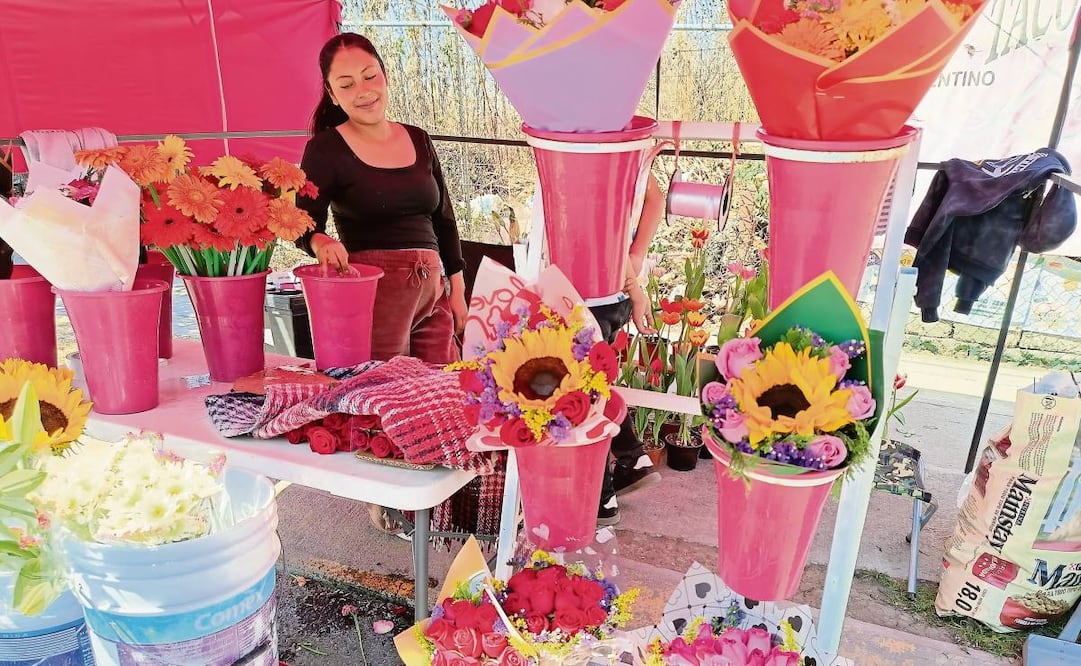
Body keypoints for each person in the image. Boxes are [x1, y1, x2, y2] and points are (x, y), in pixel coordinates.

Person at [296, 33, 467, 536]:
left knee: (438, 389)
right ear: (331, 94)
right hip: (374, 289)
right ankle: (388, 503)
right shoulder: (325, 148)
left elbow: (446, 219)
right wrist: (319, 241)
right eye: (346, 84)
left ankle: (436, 500)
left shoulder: (416, 137)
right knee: (386, 394)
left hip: (432, 284)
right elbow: (298, 217)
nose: (363, 90)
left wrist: (458, 292)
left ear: (385, 75)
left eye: (369, 75)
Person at [591, 172, 665, 526]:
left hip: (589, 289)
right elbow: (656, 197)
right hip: (614, 290)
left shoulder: (592, 149)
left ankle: (601, 498)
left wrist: (635, 287)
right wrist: (634, 259)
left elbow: (606, 229)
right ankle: (633, 458)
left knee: (583, 396)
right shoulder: (634, 151)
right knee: (594, 387)